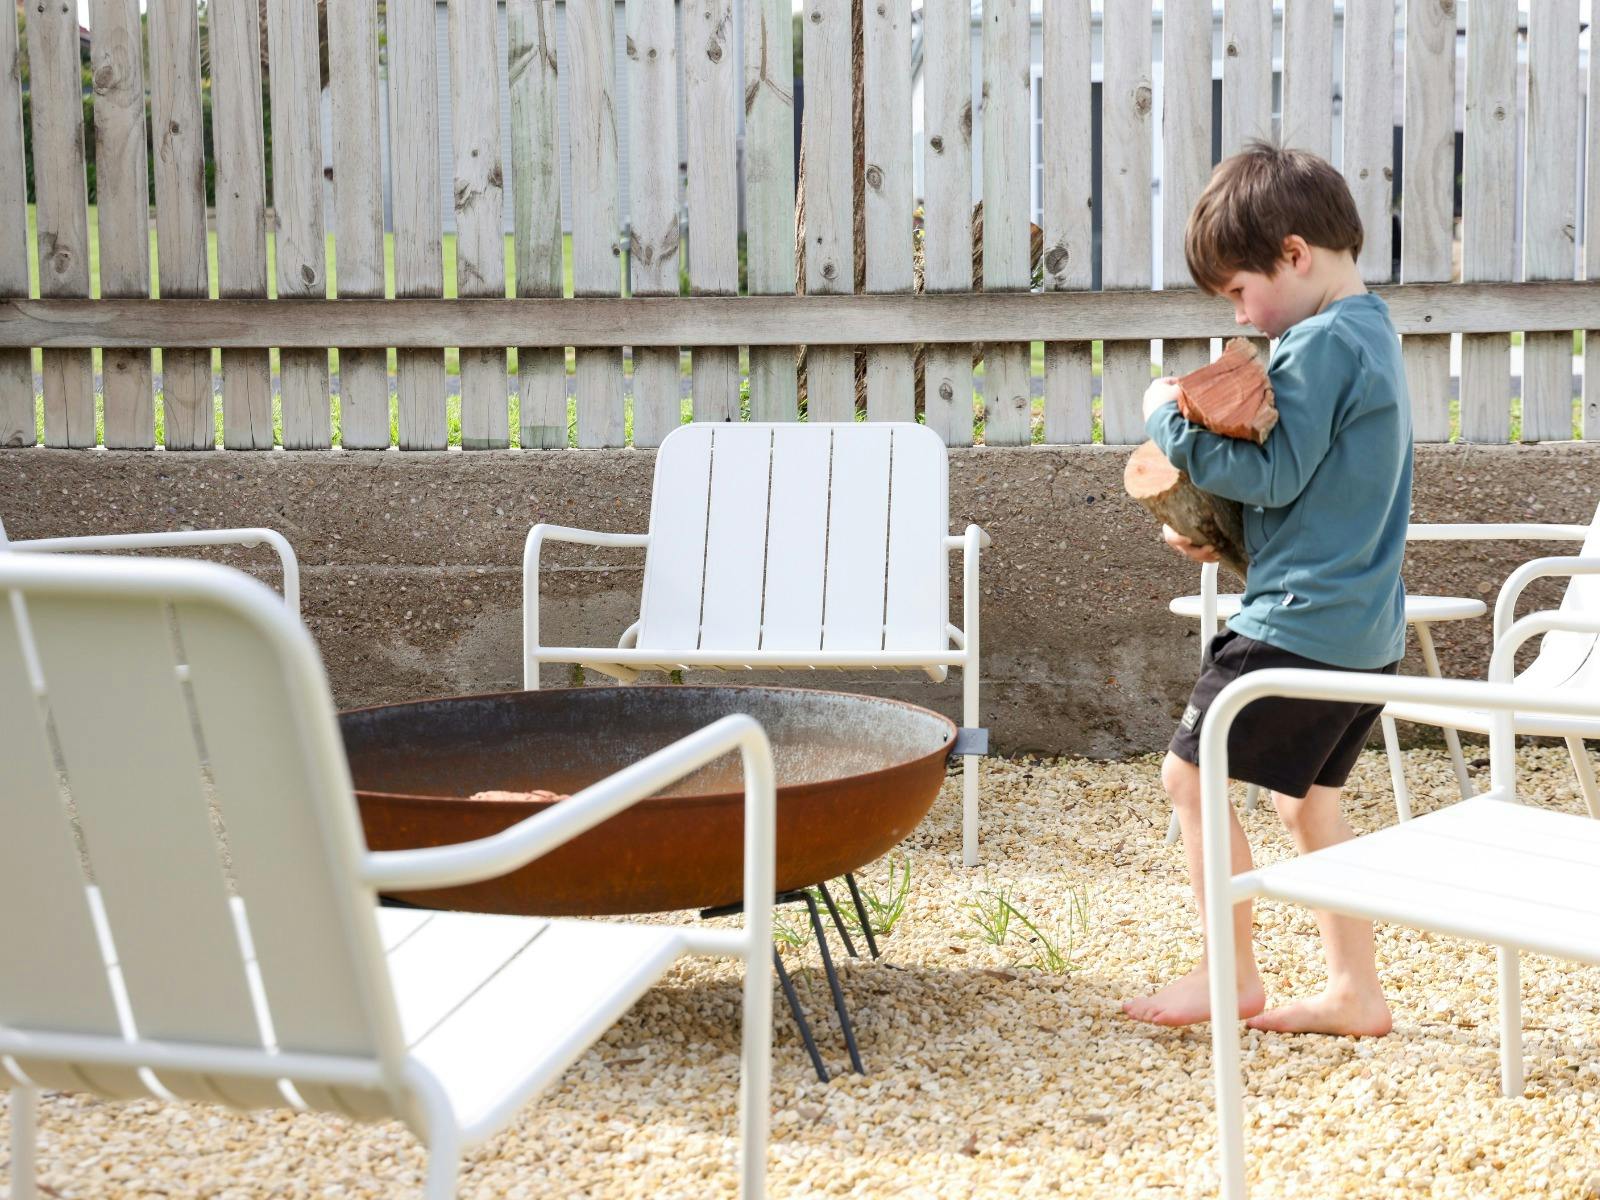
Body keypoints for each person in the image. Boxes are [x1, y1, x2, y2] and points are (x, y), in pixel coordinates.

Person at [1122, 141, 1412, 1037]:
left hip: (1298, 624)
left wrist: (1169, 422)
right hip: (1363, 628)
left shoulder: (1316, 344)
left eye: (1241, 291)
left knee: (1189, 774)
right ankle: (1354, 991)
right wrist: (1224, 537)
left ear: (1295, 254)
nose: (1242, 315)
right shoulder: (1372, 333)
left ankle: (1229, 974)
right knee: (1306, 802)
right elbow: (1318, 498)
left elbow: (1275, 472)